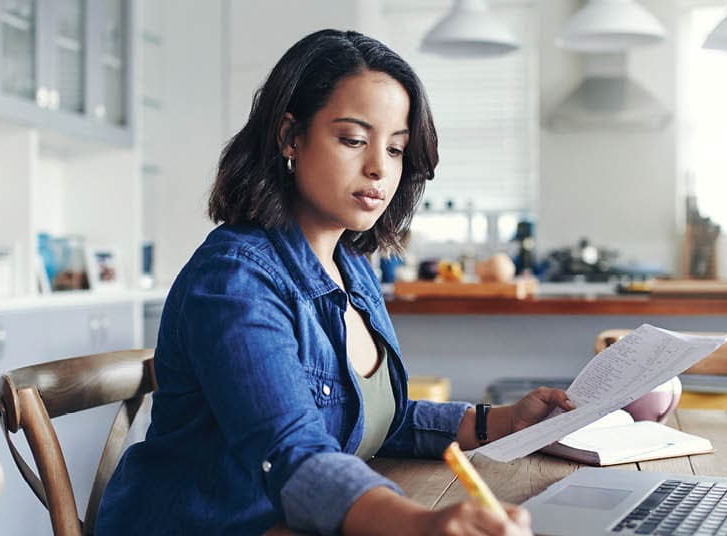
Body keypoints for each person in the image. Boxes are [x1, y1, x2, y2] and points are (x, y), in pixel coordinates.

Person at [95, 29, 574, 536]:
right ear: (290, 137)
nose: (378, 169)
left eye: (395, 149)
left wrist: (498, 423)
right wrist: (419, 525)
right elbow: (294, 452)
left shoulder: (353, 268)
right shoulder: (235, 280)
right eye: (353, 140)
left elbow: (368, 417)